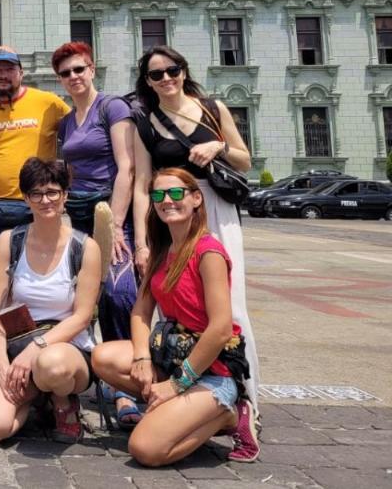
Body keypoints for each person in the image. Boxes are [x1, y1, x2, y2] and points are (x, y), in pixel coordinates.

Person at [91, 168, 259, 465]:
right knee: (103, 357)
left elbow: (220, 329)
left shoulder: (209, 253)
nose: (167, 200)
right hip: (172, 355)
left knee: (145, 449)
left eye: (176, 193)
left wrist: (176, 385)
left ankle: (228, 414)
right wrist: (142, 357)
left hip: (213, 370)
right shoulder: (162, 250)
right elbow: (141, 311)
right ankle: (181, 411)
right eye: (158, 194)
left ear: (196, 198)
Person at [130, 45, 259, 412]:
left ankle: (244, 397)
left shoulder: (212, 109)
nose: (166, 79)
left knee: (228, 307)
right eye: (156, 74)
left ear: (184, 72)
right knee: (174, 300)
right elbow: (143, 182)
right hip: (169, 209)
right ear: (148, 82)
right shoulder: (146, 121)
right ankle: (183, 385)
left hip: (213, 204)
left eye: (172, 70)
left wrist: (217, 147)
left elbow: (244, 160)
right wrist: (141, 241)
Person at [0, 158, 101, 445]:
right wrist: (3, 362)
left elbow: (82, 316)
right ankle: (32, 401)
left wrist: (37, 348)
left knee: (51, 365)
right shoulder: (10, 240)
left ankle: (62, 401)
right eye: (37, 194)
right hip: (18, 345)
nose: (46, 200)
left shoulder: (84, 248)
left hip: (65, 350)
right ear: (26, 199)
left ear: (65, 195)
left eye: (53, 192)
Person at [51, 41, 139, 426]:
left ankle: (125, 386)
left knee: (120, 294)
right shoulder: (68, 120)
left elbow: (127, 167)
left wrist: (116, 225)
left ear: (93, 69)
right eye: (66, 73)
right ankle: (81, 375)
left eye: (79, 69)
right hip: (77, 212)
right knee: (77, 296)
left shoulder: (112, 107)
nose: (74, 77)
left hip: (110, 210)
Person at [0, 46, 70, 278]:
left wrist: (67, 188)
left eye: (9, 68)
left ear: (21, 73)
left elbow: (79, 138)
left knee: (45, 276)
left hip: (43, 205)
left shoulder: (49, 103)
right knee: (2, 281)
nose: (3, 74)